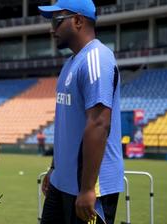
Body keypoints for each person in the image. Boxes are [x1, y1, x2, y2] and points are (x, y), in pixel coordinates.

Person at [38, 0, 124, 224]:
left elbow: (98, 124)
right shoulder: (71, 62)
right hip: (61, 182)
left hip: (90, 186)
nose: (52, 29)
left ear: (78, 20)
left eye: (57, 20)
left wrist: (87, 189)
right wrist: (54, 168)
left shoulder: (98, 58)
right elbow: (67, 127)